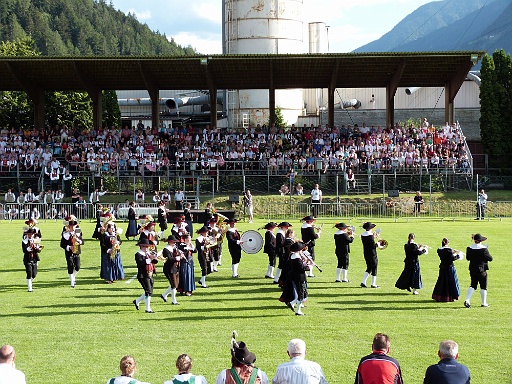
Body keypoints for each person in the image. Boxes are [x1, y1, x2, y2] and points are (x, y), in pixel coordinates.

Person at [464, 233, 493, 308]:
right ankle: (484, 303)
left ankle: (467, 300)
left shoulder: (469, 248)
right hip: (481, 269)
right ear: (480, 241)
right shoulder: (484, 249)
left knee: (473, 285)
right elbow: (490, 258)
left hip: (472, 268)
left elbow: (468, 258)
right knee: (483, 286)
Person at [133, 238, 159, 313]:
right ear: (141, 246)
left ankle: (137, 301)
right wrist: (149, 259)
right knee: (148, 291)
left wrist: (154, 257)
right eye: (145, 246)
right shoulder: (138, 254)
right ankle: (148, 308)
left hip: (150, 274)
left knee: (149, 291)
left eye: (147, 247)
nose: (147, 248)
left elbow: (155, 262)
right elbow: (140, 263)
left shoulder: (148, 253)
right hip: (142, 275)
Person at [432, 238, 461, 302]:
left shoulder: (439, 250)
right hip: (449, 268)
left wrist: (453, 253)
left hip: (443, 267)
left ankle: (439, 297)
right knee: (451, 282)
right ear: (447, 243)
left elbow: (447, 257)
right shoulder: (448, 250)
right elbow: (451, 258)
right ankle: (452, 297)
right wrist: (458, 255)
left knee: (442, 282)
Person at [286, 241, 311, 316]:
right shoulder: (296, 257)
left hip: (294, 276)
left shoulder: (292, 256)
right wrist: (309, 266)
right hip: (299, 277)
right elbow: (301, 268)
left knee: (302, 292)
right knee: (301, 294)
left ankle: (292, 303)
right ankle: (298, 311)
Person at [60, 217, 83, 288]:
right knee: (70, 266)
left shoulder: (77, 231)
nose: (72, 227)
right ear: (68, 227)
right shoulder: (65, 234)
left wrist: (78, 240)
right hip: (69, 252)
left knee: (77, 267)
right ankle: (72, 282)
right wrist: (69, 247)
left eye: (73, 226)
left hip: (76, 251)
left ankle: (73, 276)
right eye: (70, 226)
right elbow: (62, 244)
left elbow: (82, 241)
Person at [160, 235, 183, 305]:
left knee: (175, 284)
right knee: (173, 285)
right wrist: (177, 258)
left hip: (175, 267)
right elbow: (169, 259)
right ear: (169, 242)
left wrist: (181, 254)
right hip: (169, 268)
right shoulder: (166, 249)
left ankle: (164, 295)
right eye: (173, 242)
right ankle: (174, 300)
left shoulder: (174, 248)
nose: (174, 243)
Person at [360, 222, 379, 288]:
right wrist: (378, 244)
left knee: (369, 267)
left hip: (366, 253)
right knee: (374, 267)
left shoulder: (363, 235)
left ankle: (363, 282)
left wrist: (373, 236)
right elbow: (373, 246)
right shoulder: (370, 236)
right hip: (372, 253)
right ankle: (373, 284)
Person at [22, 228, 42, 292]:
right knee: (29, 272)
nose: (30, 235)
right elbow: (24, 250)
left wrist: (38, 248)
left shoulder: (36, 241)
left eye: (31, 234)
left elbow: (38, 251)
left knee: (34, 274)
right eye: (29, 234)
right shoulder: (24, 241)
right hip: (27, 259)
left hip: (34, 259)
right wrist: (29, 247)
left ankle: (29, 281)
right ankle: (29, 288)